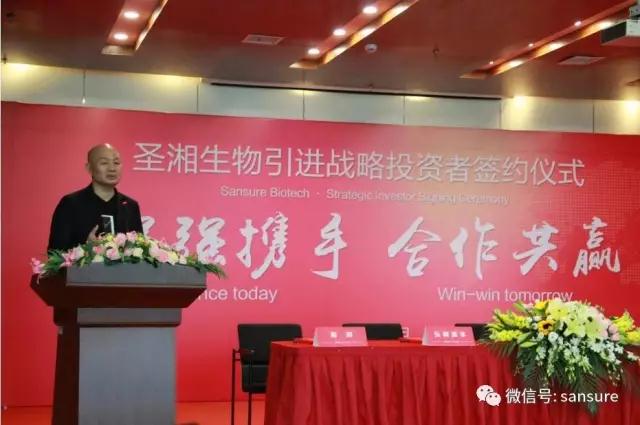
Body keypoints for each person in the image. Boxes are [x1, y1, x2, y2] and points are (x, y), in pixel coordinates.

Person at [47, 143, 143, 251]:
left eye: (116, 163)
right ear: (89, 168)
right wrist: (86, 250)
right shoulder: (71, 203)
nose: (112, 168)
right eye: (104, 163)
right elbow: (55, 252)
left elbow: (139, 249)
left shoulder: (130, 206)